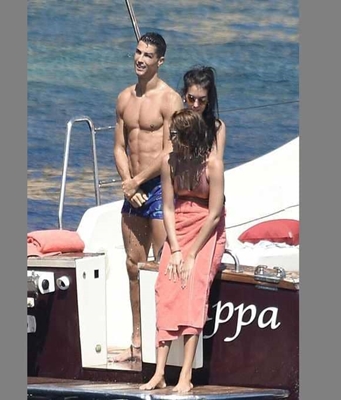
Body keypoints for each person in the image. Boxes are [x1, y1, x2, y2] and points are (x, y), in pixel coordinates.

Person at [139, 109, 226, 393]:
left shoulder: (213, 165)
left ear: (189, 136)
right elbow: (167, 207)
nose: (170, 138)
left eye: (174, 134)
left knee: (192, 287)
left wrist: (191, 255)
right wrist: (175, 250)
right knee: (166, 286)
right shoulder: (170, 161)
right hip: (178, 226)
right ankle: (159, 372)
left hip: (207, 230)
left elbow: (215, 214)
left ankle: (186, 374)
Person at [112, 32, 184, 363]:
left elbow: (171, 151)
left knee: (161, 267)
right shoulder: (124, 98)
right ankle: (137, 337)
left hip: (158, 188)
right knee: (133, 265)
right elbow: (119, 147)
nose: (140, 59)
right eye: (138, 52)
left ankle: (164, 342)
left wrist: (138, 181)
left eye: (148, 55)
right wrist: (128, 183)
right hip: (133, 189)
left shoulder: (170, 100)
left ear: (160, 61)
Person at [181, 66, 226, 160]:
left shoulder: (216, 127)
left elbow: (216, 161)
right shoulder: (176, 123)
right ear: (184, 96)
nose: (196, 105)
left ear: (208, 100)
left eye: (202, 100)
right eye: (191, 99)